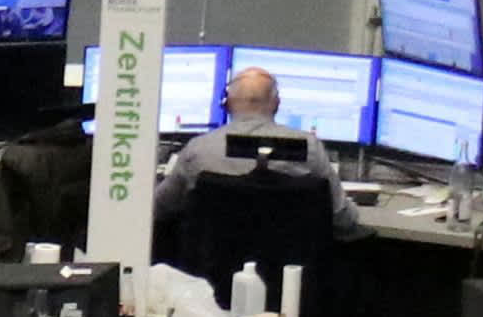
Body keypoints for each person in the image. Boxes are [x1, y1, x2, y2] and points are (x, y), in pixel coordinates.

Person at [154, 65, 360, 233]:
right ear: (277, 104)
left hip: (211, 267)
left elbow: (157, 209)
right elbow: (343, 219)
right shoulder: (308, 148)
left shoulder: (198, 149)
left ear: (227, 104)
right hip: (291, 268)